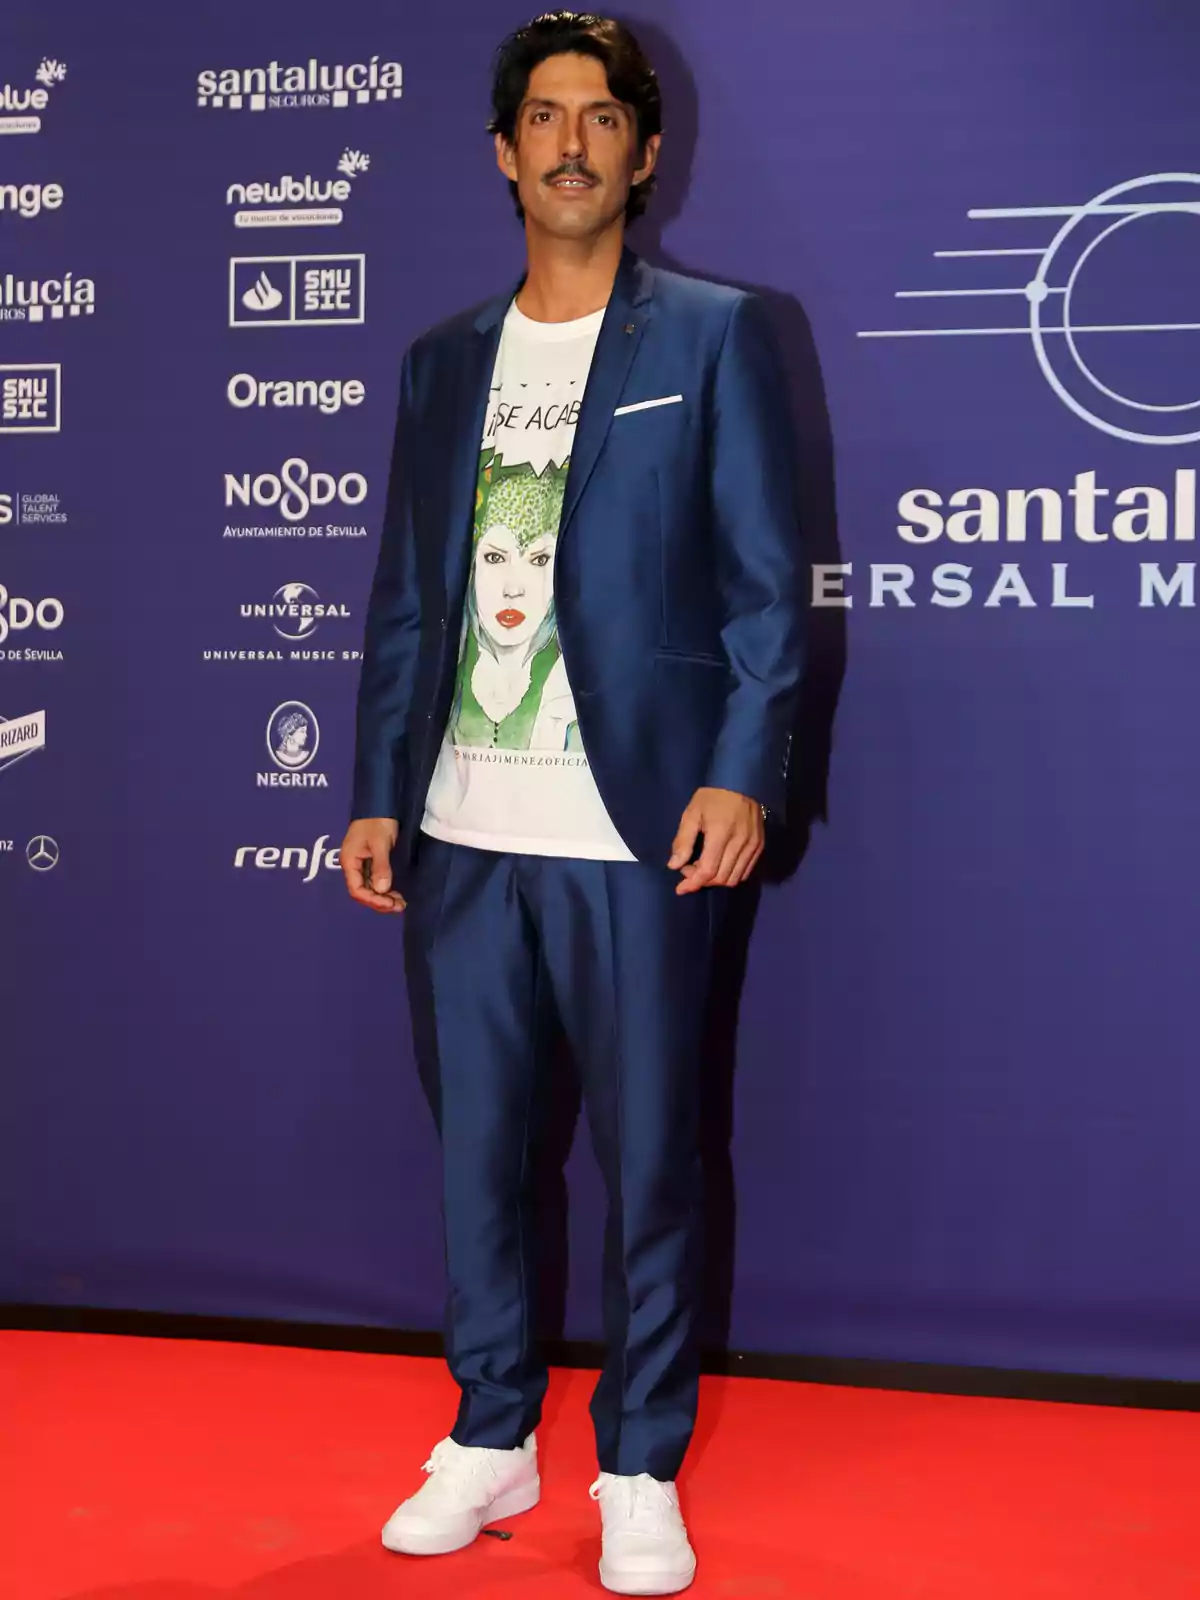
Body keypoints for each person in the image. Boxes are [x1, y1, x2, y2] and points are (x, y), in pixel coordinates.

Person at [342, 12, 804, 1594]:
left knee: (652, 1157)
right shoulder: (442, 359)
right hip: (467, 825)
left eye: (600, 118)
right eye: (541, 117)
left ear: (644, 151)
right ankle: (486, 1433)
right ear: (500, 150)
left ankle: (637, 1461)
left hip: (636, 832)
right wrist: (377, 785)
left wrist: (744, 766)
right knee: (479, 1153)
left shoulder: (716, 335)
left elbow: (764, 593)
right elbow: (407, 597)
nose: (569, 144)